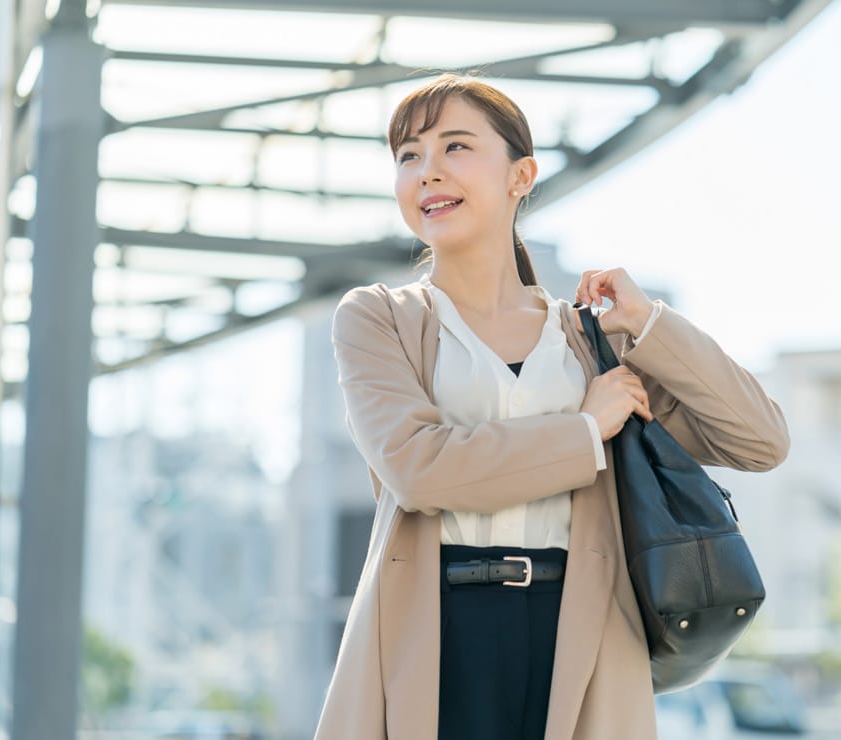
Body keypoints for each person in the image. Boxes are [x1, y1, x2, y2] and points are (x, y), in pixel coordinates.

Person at [313, 73, 789, 740]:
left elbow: (760, 441)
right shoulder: (379, 320)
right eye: (408, 156)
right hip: (431, 629)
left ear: (521, 176)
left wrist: (649, 324)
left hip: (581, 633)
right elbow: (420, 469)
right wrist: (585, 431)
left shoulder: (589, 340)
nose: (427, 172)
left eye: (455, 148)